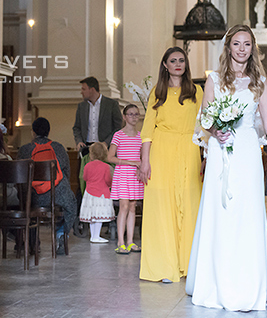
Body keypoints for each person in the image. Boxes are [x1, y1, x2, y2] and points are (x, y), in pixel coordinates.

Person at [186, 25, 267, 311]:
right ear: (228, 46)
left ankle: (247, 283)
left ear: (253, 48)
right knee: (221, 213)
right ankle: (216, 281)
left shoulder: (260, 82)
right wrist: (216, 130)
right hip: (221, 151)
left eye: (247, 44)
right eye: (237, 44)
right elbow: (205, 118)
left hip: (248, 153)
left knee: (247, 213)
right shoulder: (213, 80)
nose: (242, 49)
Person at [137, 47, 203, 283]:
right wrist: (144, 161)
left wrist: (208, 156)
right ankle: (164, 266)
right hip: (161, 151)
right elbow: (147, 130)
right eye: (173, 60)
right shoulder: (158, 91)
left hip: (189, 149)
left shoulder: (197, 91)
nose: (178, 64)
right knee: (162, 207)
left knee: (189, 204)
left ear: (186, 64)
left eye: (181, 60)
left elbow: (204, 125)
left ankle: (188, 264)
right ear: (165, 65)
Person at [17, 117, 77, 254]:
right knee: (70, 204)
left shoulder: (25, 149)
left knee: (24, 204)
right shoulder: (59, 148)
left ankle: (32, 242)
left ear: (33, 132)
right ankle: (61, 234)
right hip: (56, 195)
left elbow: (19, 176)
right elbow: (66, 173)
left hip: (32, 196)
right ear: (49, 132)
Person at [107, 104, 144, 254]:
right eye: (130, 114)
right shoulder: (118, 135)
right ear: (124, 117)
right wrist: (131, 163)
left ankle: (130, 242)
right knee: (123, 207)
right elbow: (110, 157)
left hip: (135, 176)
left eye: (136, 114)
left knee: (132, 207)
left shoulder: (141, 136)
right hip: (122, 174)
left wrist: (140, 165)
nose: (133, 117)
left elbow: (142, 157)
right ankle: (120, 242)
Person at [80, 142, 115, 243]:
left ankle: (93, 236)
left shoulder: (87, 165)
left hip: (90, 193)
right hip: (102, 194)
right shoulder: (106, 167)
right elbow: (108, 180)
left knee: (92, 216)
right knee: (99, 216)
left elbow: (85, 178)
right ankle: (96, 236)